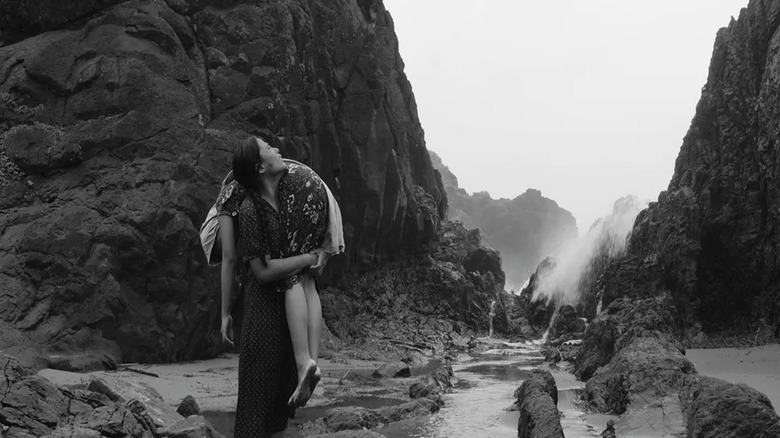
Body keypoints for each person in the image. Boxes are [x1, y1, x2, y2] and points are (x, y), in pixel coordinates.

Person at [215, 135, 341, 436]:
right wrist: (313, 256)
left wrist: (226, 312)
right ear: (259, 167)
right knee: (265, 405)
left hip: (280, 310)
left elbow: (235, 261)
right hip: (276, 308)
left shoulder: (282, 198)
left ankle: (307, 367)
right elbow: (261, 270)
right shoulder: (251, 208)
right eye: (269, 148)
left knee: (265, 405)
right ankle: (308, 364)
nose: (277, 149)